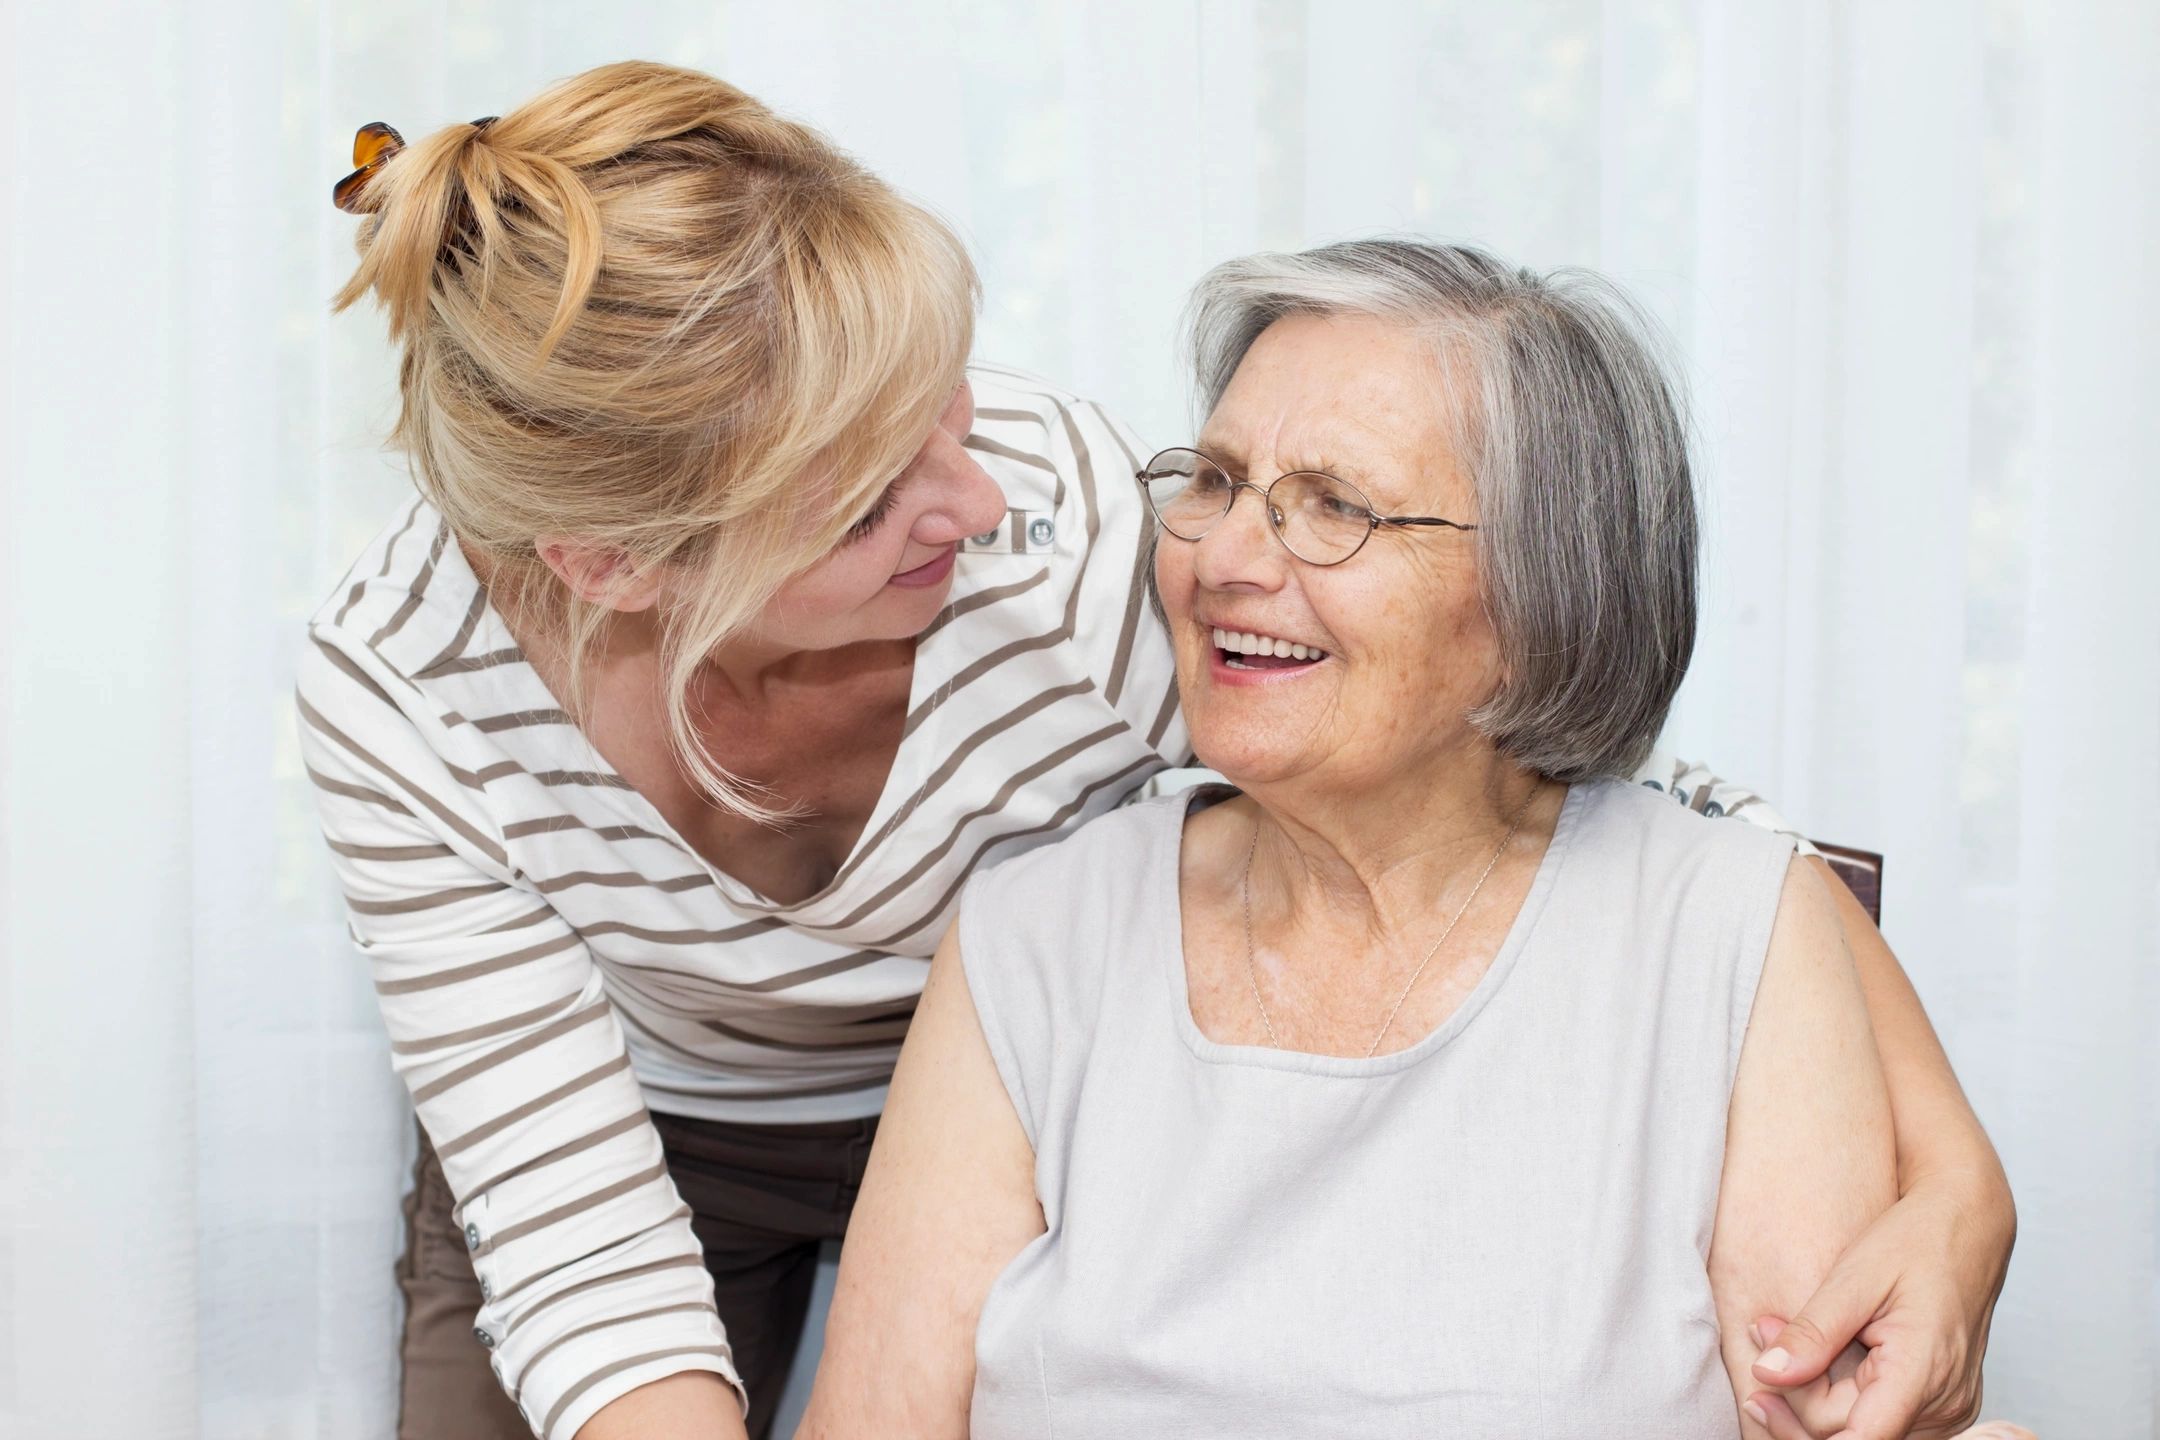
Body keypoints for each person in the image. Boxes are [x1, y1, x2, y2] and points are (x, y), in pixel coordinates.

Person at [300, 62, 2010, 1440]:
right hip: (657, 1118)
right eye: (874, 495)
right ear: (628, 571)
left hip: (1001, 1083)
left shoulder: (1072, 547)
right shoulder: (404, 685)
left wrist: (1957, 1186)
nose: (971, 506)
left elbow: (1595, 772)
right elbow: (580, 1245)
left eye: (950, 416)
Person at [798, 241, 2025, 1440]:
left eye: (1336, 506)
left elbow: (1816, 1416)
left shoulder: (1730, 934)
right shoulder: (1033, 938)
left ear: (1542, 600)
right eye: (1216, 482)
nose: (1224, 558)